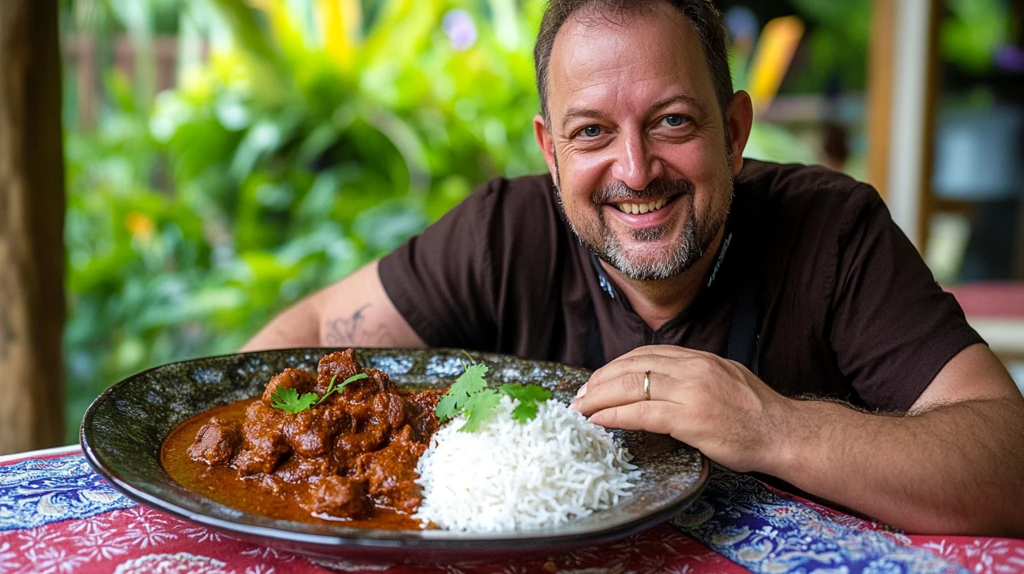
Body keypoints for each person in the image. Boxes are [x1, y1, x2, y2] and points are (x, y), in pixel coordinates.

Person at [243, 0, 1024, 536]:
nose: (637, 168)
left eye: (672, 121)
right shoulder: (502, 233)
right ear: (552, 153)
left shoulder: (832, 232)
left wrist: (772, 427)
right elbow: (308, 333)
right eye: (591, 133)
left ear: (735, 129)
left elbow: (1008, 460)